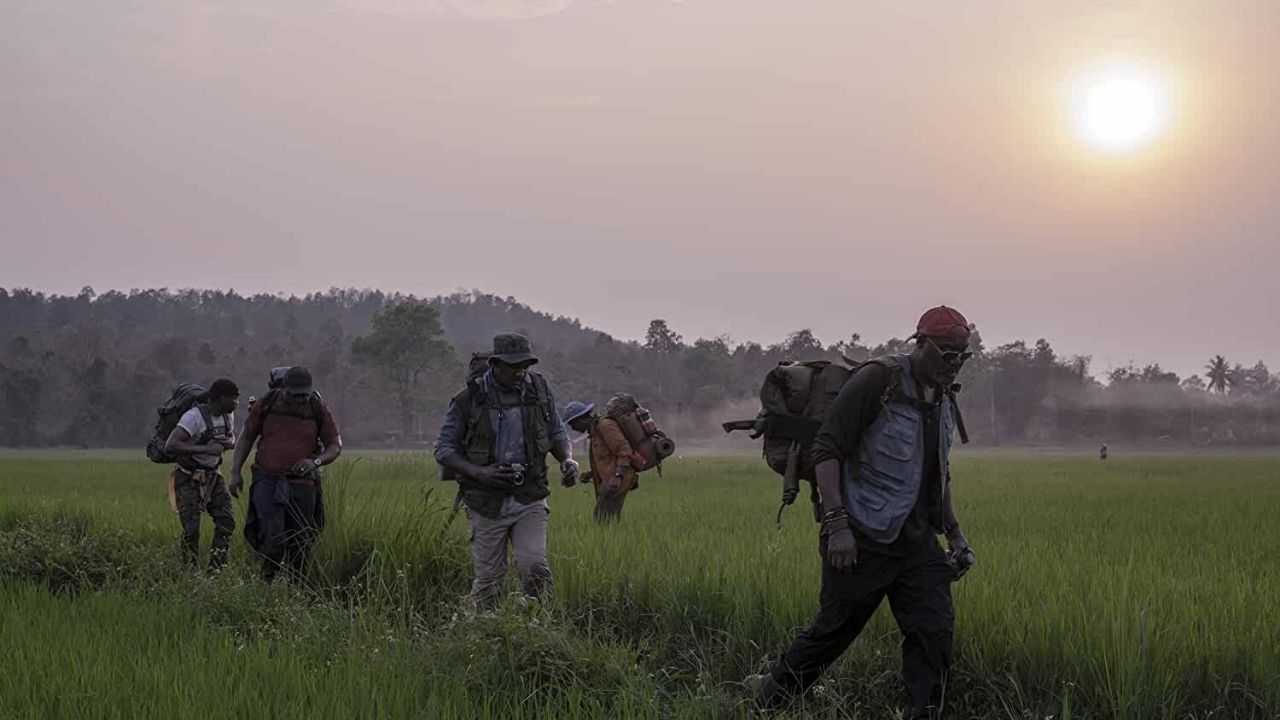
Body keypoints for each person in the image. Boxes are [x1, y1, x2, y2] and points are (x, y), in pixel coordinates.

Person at [748, 306, 978, 719]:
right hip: (863, 535)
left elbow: (938, 472)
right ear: (920, 344)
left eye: (962, 355)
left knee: (933, 632)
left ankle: (924, 713)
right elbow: (827, 448)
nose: (954, 363)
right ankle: (767, 699)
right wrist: (837, 526)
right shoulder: (880, 379)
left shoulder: (944, 397)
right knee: (832, 633)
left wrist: (956, 534)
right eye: (946, 353)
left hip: (917, 543)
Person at [434, 333, 579, 611]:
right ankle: (480, 636)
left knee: (534, 566)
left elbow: (557, 432)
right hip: (485, 501)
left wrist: (567, 461)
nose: (519, 372)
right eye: (512, 366)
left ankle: (539, 627)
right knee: (490, 581)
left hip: (530, 494)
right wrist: (480, 473)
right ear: (495, 364)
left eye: (524, 366)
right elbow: (443, 449)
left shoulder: (539, 390)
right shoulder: (468, 399)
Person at [229, 366, 343, 583]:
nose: (300, 400)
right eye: (294, 395)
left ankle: (297, 586)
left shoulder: (317, 408)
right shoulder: (267, 404)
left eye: (304, 395)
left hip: (302, 483)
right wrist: (235, 472)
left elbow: (334, 446)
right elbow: (246, 438)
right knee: (272, 534)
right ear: (284, 390)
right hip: (267, 478)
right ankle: (267, 582)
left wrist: (314, 462)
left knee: (301, 539)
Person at [163, 378, 240, 573]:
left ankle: (215, 572)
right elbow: (171, 445)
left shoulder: (227, 415)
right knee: (191, 531)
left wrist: (228, 443)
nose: (237, 403)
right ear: (221, 398)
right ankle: (190, 575)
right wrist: (205, 448)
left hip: (214, 477)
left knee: (227, 522)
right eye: (234, 399)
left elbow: (231, 437)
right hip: (188, 477)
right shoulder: (193, 417)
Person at [562, 400, 644, 523]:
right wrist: (591, 473)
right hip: (610, 481)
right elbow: (607, 458)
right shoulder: (595, 432)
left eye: (573, 423)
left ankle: (613, 541)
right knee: (605, 520)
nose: (573, 427)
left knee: (603, 520)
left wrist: (617, 477)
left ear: (581, 419)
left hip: (617, 480)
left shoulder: (605, 426)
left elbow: (624, 450)